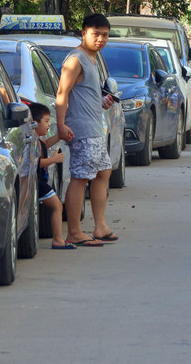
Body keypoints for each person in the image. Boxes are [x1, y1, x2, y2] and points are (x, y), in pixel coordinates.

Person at [56, 13, 116, 247]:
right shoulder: (75, 59)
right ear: (84, 34)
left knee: (103, 173)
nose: (100, 39)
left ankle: (100, 227)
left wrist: (102, 101)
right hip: (82, 129)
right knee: (81, 178)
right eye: (96, 34)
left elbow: (84, 93)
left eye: (105, 35)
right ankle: (74, 232)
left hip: (95, 128)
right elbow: (62, 93)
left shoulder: (92, 59)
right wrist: (61, 126)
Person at [28, 103, 76, 250]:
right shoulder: (31, 140)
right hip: (39, 182)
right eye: (46, 121)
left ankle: (58, 239)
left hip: (40, 182)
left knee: (56, 206)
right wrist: (53, 160)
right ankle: (58, 240)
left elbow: (46, 144)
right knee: (56, 206)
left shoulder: (37, 139)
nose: (49, 125)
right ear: (35, 123)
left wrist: (59, 136)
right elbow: (36, 163)